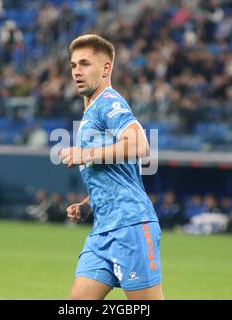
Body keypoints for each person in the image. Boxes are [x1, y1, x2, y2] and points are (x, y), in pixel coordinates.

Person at [59, 34, 164, 300]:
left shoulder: (109, 102)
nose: (77, 72)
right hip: (102, 230)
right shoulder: (91, 111)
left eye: (85, 64)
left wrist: (86, 154)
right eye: (73, 65)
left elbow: (140, 145)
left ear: (106, 68)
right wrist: (87, 205)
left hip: (130, 225)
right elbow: (114, 176)